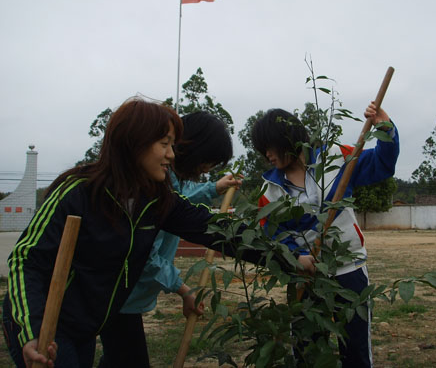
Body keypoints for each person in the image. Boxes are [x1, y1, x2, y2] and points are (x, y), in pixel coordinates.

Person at [1, 98, 265, 368]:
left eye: (172, 145)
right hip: (46, 320)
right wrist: (32, 330)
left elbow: (208, 224)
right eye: (165, 144)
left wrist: (284, 254)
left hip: (87, 322)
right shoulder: (77, 193)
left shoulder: (155, 200)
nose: (172, 155)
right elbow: (26, 260)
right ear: (134, 144)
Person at [251, 103, 399, 367]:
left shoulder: (335, 158)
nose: (268, 155)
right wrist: (297, 257)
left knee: (355, 348)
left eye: (270, 147)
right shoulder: (269, 190)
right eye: (263, 151)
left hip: (348, 268)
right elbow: (273, 233)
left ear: (288, 139)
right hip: (306, 277)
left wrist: (385, 128)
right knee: (308, 350)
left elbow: (381, 163)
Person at [98, 111, 242, 367]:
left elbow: (180, 200)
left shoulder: (168, 183)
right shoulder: (148, 188)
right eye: (208, 160)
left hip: (122, 298)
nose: (208, 169)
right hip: (119, 296)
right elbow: (144, 256)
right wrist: (183, 289)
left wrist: (212, 189)